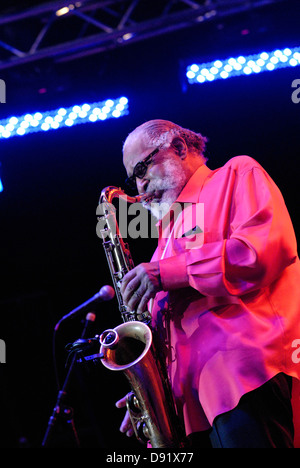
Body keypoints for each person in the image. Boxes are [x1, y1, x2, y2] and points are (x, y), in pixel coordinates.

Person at [115, 119, 300, 448]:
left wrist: (166, 272)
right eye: (133, 180)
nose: (140, 189)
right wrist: (150, 394)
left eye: (142, 169)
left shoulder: (236, 174)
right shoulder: (165, 237)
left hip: (243, 381)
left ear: (179, 148)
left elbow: (258, 253)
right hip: (190, 409)